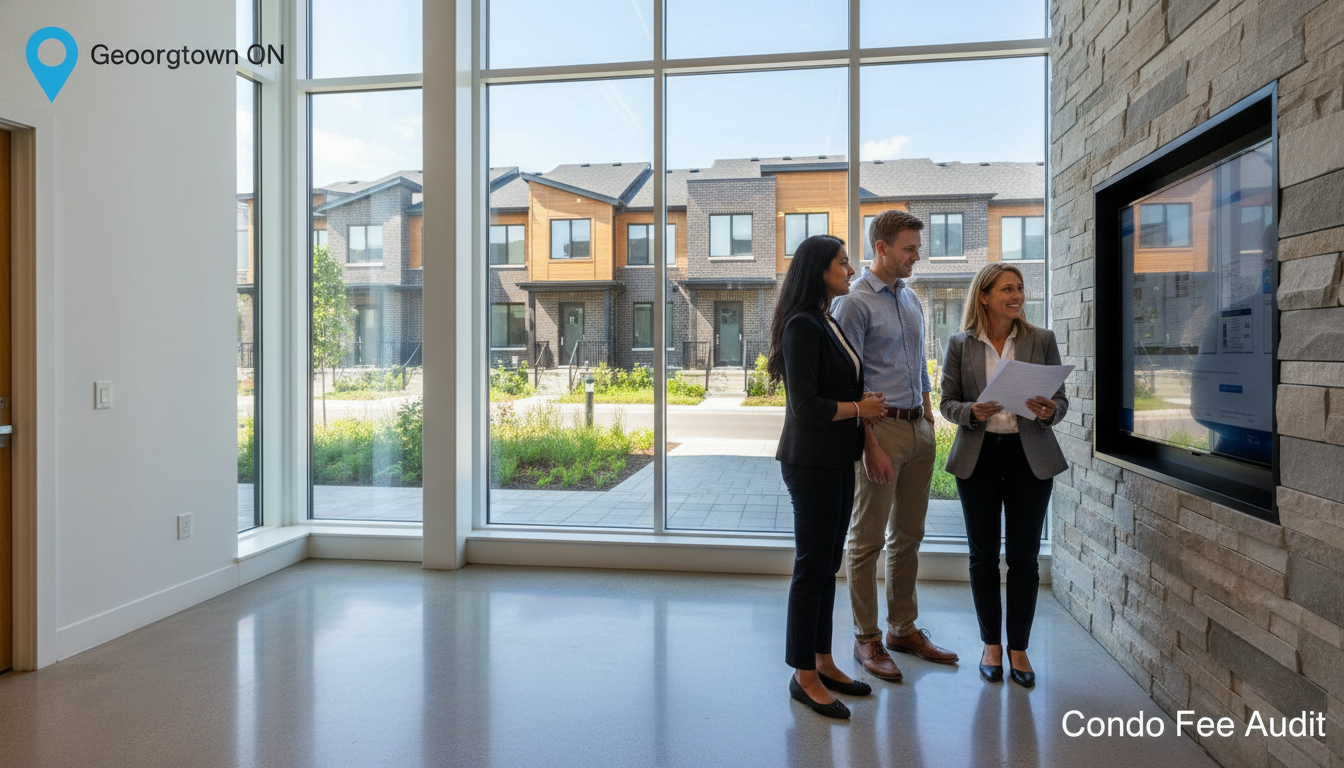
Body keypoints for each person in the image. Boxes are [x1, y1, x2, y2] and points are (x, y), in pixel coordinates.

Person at [832, 209, 959, 683]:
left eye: (917, 247)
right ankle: (867, 639)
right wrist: (870, 443)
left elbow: (919, 362)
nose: (916, 256)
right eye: (909, 248)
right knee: (866, 541)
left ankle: (902, 628)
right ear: (881, 248)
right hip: (879, 430)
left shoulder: (910, 299)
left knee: (909, 536)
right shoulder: (855, 302)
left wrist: (926, 414)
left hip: (916, 429)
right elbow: (851, 380)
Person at [770, 234, 887, 719]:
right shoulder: (801, 325)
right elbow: (807, 405)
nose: (850, 267)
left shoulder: (826, 320)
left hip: (837, 459)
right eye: (842, 262)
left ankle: (823, 660)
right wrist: (861, 408)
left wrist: (866, 438)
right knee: (812, 567)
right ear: (820, 270)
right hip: (810, 461)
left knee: (827, 565)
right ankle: (803, 675)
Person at [939, 262, 1069, 688]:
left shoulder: (1041, 340)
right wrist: (971, 412)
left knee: (1024, 558)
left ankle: (1019, 648)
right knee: (982, 557)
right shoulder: (961, 344)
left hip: (1028, 458)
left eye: (1020, 289)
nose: (1017, 296)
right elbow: (947, 403)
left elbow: (1059, 401)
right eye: (1007, 289)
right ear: (984, 296)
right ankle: (990, 644)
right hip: (978, 458)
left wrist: (1051, 410)